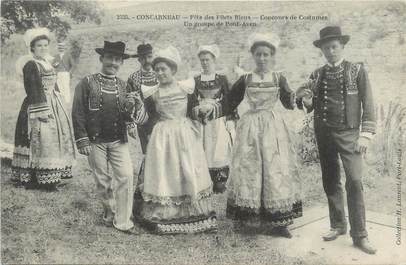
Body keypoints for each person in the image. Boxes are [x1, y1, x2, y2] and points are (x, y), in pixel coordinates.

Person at [296, 26, 377, 254]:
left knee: (354, 180)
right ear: (321, 49)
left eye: (334, 47)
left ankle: (360, 234)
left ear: (342, 46)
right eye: (326, 48)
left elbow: (368, 104)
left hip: (350, 134)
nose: (330, 51)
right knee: (330, 179)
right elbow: (310, 106)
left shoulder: (357, 70)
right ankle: (338, 225)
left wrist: (366, 134)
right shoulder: (317, 74)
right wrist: (307, 100)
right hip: (324, 133)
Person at [133, 46, 221, 234]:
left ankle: (192, 211)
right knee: (166, 172)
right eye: (156, 69)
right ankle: (167, 213)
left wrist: (201, 111)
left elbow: (193, 111)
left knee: (187, 169)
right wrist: (135, 109)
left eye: (163, 69)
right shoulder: (152, 92)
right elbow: (146, 118)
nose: (160, 72)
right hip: (162, 135)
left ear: (173, 70)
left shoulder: (185, 88)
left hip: (184, 133)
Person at [225, 33, 303, 238]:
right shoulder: (245, 79)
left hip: (273, 127)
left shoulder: (279, 78)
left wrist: (301, 96)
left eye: (266, 54)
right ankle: (247, 219)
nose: (262, 58)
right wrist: (210, 108)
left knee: (274, 170)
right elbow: (229, 102)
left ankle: (279, 222)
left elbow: (288, 102)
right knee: (250, 169)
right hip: (250, 128)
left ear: (272, 56)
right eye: (258, 54)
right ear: (253, 55)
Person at [72, 41, 144, 233]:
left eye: (118, 59)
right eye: (110, 58)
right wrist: (82, 140)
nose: (113, 62)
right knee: (102, 181)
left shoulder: (123, 85)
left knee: (126, 176)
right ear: (101, 58)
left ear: (121, 63)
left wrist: (132, 106)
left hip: (118, 140)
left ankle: (123, 221)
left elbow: (127, 115)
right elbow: (78, 112)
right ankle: (109, 212)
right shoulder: (86, 83)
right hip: (95, 141)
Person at [12, 27, 76, 191]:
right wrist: (42, 112)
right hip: (38, 104)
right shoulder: (31, 65)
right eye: (39, 46)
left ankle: (54, 174)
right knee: (42, 138)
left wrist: (60, 99)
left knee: (56, 138)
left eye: (45, 45)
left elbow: (54, 84)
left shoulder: (48, 62)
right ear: (32, 48)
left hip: (53, 102)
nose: (43, 48)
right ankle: (38, 178)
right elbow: (33, 89)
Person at [193, 44, 237, 193]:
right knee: (203, 148)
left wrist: (231, 120)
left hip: (218, 119)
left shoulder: (222, 79)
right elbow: (192, 101)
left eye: (208, 60)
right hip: (202, 120)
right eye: (202, 60)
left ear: (214, 60)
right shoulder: (196, 80)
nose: (205, 63)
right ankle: (204, 181)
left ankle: (220, 182)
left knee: (219, 149)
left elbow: (230, 101)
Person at [126, 43, 158, 155]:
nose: (147, 60)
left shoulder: (160, 73)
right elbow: (129, 102)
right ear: (139, 59)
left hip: (161, 120)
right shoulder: (133, 78)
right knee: (149, 154)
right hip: (144, 121)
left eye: (149, 56)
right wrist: (130, 124)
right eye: (143, 58)